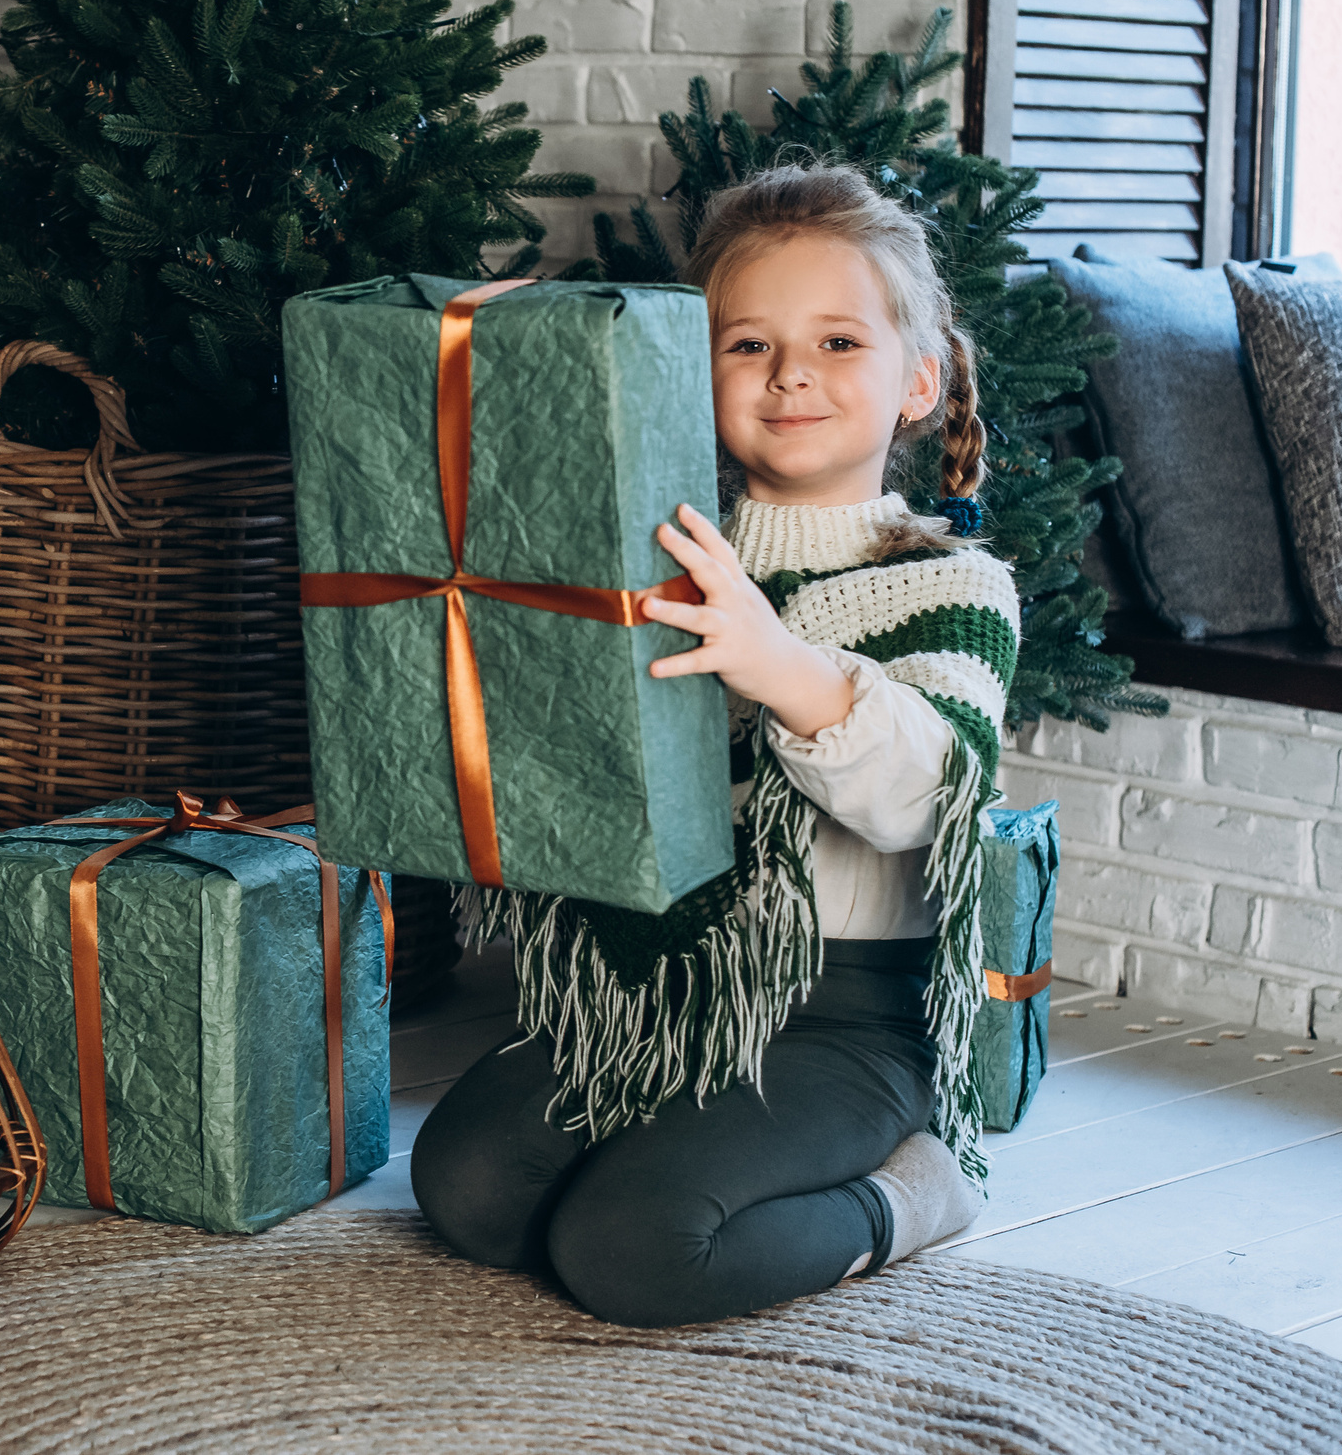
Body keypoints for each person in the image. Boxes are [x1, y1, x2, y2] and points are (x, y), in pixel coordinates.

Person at [412, 161, 1019, 1328]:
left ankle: (914, 1192)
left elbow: (927, 796)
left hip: (847, 1012)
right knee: (469, 1187)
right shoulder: (645, 560)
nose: (791, 371)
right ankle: (675, 1125)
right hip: (662, 983)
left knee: (630, 1246)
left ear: (918, 381)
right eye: (748, 344)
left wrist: (778, 662)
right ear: (690, 376)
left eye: (838, 341)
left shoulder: (946, 582)